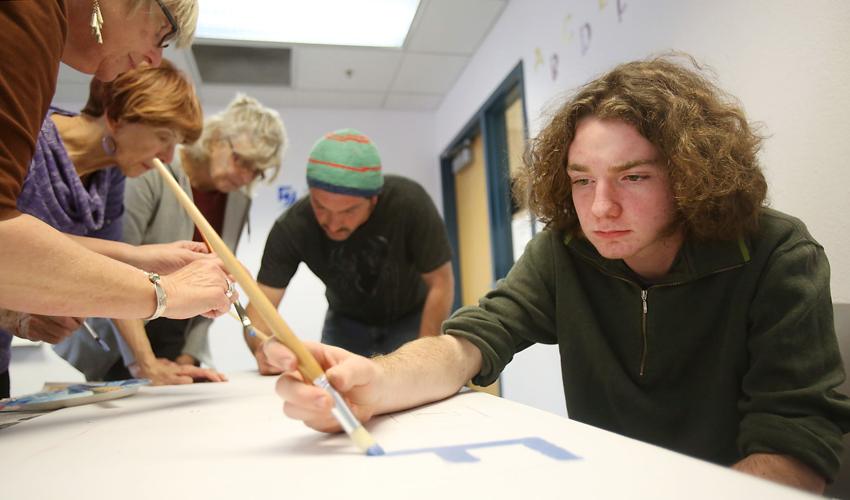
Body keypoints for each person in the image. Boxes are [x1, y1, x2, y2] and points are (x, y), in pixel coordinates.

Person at [264, 56, 850, 494]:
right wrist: (374, 381)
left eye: (635, 177)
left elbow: (797, 449)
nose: (600, 209)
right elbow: (471, 340)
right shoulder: (566, 250)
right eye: (581, 179)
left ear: (693, 172)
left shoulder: (777, 253)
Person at [1, 2, 232, 396]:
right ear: (119, 117)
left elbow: (89, 255)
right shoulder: (32, 138)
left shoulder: (108, 179)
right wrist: (165, 293)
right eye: (164, 137)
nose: (152, 58)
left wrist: (141, 262)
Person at [91, 94, 287, 381]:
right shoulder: (151, 172)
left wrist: (189, 354)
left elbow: (218, 277)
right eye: (241, 161)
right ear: (216, 138)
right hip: (120, 329)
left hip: (176, 332)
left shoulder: (237, 200)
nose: (245, 177)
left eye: (257, 171)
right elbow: (114, 268)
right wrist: (143, 362)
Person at [245, 129, 454, 372]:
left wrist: (424, 354)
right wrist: (263, 348)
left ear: (374, 201)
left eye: (348, 211)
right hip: (345, 322)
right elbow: (260, 306)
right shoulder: (292, 227)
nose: (333, 224)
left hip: (411, 318)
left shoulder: (409, 203)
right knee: (335, 390)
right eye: (320, 207)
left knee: (418, 389)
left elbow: (441, 282)